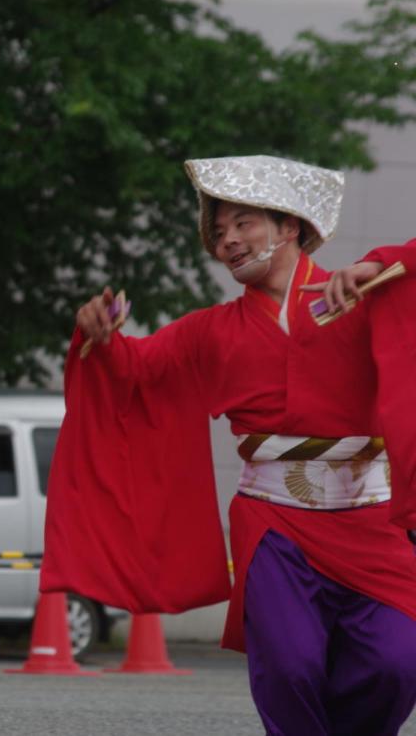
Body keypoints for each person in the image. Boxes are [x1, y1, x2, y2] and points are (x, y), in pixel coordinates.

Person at [42, 155, 416, 736]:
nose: (228, 241)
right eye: (219, 233)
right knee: (289, 671)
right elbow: (133, 373)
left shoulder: (361, 295)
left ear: (289, 226)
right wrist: (101, 338)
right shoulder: (209, 330)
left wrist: (380, 262)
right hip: (274, 529)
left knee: (398, 664)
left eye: (243, 224)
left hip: (371, 524)